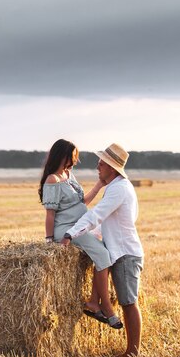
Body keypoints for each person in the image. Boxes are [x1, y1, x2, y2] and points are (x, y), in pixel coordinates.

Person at [61, 143, 144, 357]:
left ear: (111, 167)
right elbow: (107, 222)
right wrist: (87, 237)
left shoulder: (119, 189)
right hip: (121, 251)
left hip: (126, 254)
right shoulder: (119, 187)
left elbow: (97, 215)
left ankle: (132, 355)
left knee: (128, 303)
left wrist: (70, 233)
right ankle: (97, 305)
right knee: (127, 302)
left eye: (101, 164)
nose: (97, 167)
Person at [39, 139, 123, 329]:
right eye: (74, 156)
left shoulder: (69, 174)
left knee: (104, 252)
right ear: (64, 156)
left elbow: (82, 202)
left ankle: (94, 301)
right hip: (67, 229)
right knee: (103, 255)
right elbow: (50, 214)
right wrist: (50, 241)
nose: (76, 161)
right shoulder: (52, 179)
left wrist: (99, 185)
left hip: (80, 225)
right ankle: (107, 308)